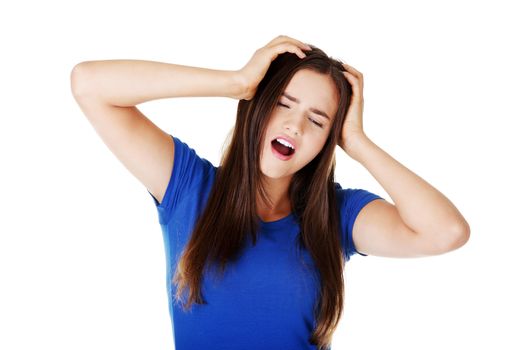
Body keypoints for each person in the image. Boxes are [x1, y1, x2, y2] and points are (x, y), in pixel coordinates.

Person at [70, 35, 470, 350]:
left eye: (317, 120)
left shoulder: (338, 214)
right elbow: (89, 83)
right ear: (256, 106)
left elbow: (445, 232)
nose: (295, 126)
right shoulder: (189, 187)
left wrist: (357, 140)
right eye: (282, 104)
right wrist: (236, 82)